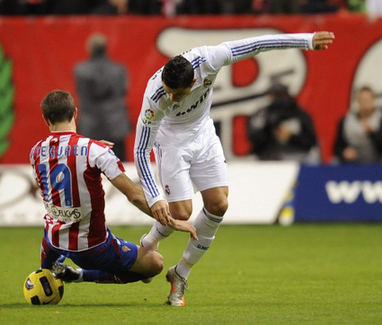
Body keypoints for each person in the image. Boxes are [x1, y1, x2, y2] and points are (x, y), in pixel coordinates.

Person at [134, 31, 335, 306]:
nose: (169, 96)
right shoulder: (155, 95)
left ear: (194, 81)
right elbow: (140, 150)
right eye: (168, 90)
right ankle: (148, 244)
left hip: (203, 134)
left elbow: (257, 44)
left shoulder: (210, 59)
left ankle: (180, 274)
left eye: (176, 93)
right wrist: (155, 197)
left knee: (219, 205)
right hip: (171, 143)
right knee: (180, 212)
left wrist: (307, 40)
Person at [30, 90, 197, 288]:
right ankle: (79, 275)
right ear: (75, 113)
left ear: (45, 119)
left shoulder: (35, 152)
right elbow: (134, 195)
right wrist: (172, 222)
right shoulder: (95, 151)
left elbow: (62, 166)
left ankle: (49, 267)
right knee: (154, 265)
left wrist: (93, 150)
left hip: (54, 239)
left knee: (55, 233)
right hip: (93, 248)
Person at [74, 33, 131, 161]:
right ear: (106, 48)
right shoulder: (119, 70)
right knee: (119, 167)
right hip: (115, 125)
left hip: (90, 127)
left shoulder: (80, 70)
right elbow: (123, 90)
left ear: (89, 48)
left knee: (89, 168)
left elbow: (80, 92)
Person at [247, 83, 320, 163]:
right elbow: (253, 137)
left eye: (281, 94)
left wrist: (290, 136)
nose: (278, 98)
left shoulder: (298, 114)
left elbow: (310, 141)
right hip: (268, 158)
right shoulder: (262, 114)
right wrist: (270, 130)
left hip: (296, 158)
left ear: (286, 94)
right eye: (275, 94)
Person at [333, 86, 382, 164]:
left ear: (373, 100)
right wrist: (344, 152)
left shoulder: (379, 119)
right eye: (363, 100)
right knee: (334, 162)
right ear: (358, 101)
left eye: (368, 100)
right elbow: (336, 147)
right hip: (354, 162)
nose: (365, 103)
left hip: (377, 162)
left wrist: (372, 133)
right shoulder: (346, 121)